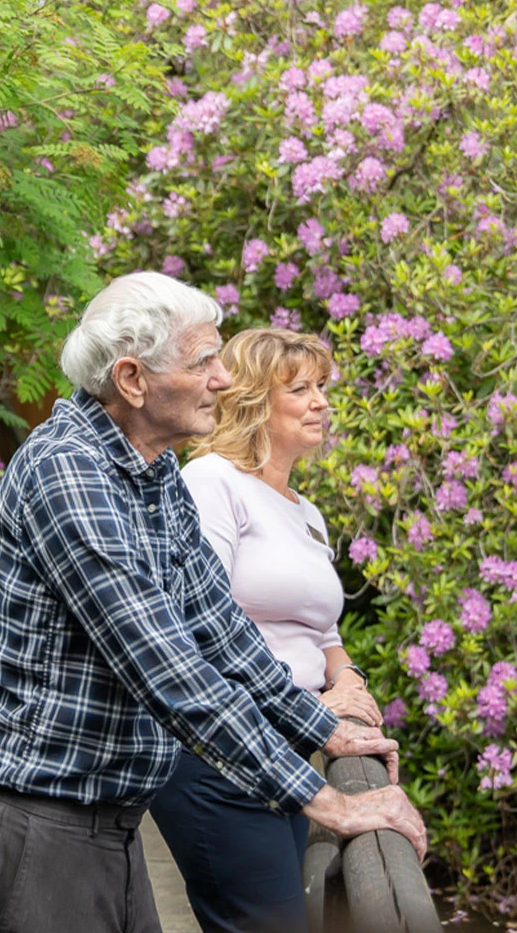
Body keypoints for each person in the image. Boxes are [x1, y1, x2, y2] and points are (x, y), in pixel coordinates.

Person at [0, 272, 426, 933]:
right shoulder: (67, 470)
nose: (223, 380)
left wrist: (326, 731)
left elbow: (218, 625)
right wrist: (331, 803)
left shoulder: (153, 467)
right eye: (203, 363)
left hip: (114, 826)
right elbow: (169, 669)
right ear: (132, 379)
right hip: (39, 836)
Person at [150, 327, 382, 933]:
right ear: (253, 400)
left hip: (289, 747)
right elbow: (198, 625)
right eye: (300, 389)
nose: (321, 402)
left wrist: (347, 681)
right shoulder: (212, 482)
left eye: (322, 386)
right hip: (220, 752)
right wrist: (317, 706)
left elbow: (324, 633)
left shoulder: (307, 512)